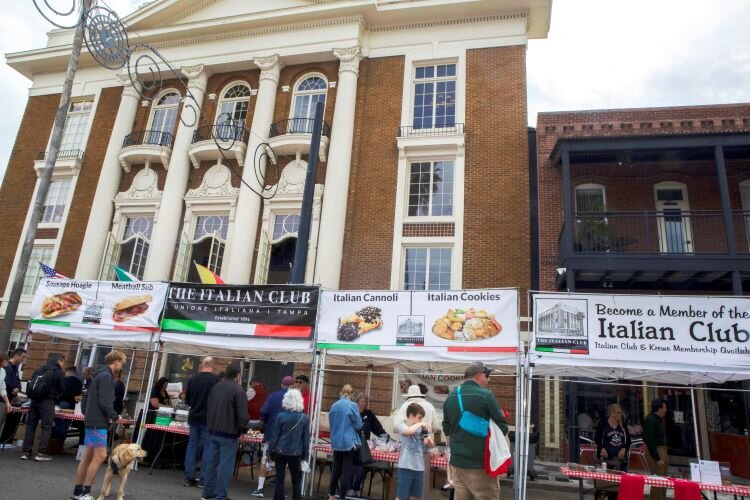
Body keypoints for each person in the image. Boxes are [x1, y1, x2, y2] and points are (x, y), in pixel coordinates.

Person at [443, 361, 508, 500]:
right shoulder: (486, 395)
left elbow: (446, 428)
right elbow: (502, 426)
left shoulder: (451, 397)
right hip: (480, 463)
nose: (489, 379)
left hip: (458, 463)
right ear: (478, 376)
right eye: (487, 375)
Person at [70, 350, 126, 500]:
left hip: (91, 419)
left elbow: (86, 396)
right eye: (121, 363)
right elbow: (105, 402)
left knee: (87, 456)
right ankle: (85, 492)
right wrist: (115, 416)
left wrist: (86, 412)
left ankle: (78, 492)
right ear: (116, 361)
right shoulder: (107, 376)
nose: (121, 366)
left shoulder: (98, 374)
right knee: (100, 455)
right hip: (98, 421)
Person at [201, 365, 249, 500]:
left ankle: (207, 493)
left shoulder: (216, 387)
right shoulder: (238, 390)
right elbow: (242, 414)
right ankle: (221, 495)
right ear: (238, 375)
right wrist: (243, 428)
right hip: (229, 432)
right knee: (225, 466)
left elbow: (209, 406)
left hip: (213, 429)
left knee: (212, 463)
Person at [251, 375, 293, 497]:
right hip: (286, 435)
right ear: (292, 386)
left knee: (265, 459)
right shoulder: (294, 398)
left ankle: (259, 489)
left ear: (281, 385)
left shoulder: (273, 396)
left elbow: (263, 411)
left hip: (271, 433)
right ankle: (281, 490)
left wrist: (266, 421)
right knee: (283, 462)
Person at [266, 388, 309, 500]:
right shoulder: (304, 418)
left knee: (280, 477)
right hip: (296, 452)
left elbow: (275, 436)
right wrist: (305, 455)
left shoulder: (280, 416)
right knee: (296, 479)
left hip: (280, 450)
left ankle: (279, 497)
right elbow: (305, 439)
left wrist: (269, 451)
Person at [21, 352, 65, 462]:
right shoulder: (58, 372)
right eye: (63, 362)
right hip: (48, 402)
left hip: (34, 401)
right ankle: (41, 452)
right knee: (46, 426)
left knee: (31, 425)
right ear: (60, 361)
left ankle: (26, 452)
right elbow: (62, 389)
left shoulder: (39, 369)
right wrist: (57, 398)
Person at [184, 356, 220, 487]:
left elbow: (187, 400)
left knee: (192, 446)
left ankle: (189, 477)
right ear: (213, 365)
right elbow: (217, 401)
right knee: (208, 447)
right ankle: (204, 479)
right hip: (208, 418)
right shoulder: (215, 380)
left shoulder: (192, 379)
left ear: (202, 365)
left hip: (193, 416)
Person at [328, 384, 363, 500]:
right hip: (348, 442)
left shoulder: (334, 405)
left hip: (336, 442)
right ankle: (342, 497)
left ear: (341, 392)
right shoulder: (353, 405)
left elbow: (331, 424)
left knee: (336, 470)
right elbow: (358, 425)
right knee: (346, 472)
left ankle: (331, 495)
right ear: (352, 394)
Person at [396, 403, 435, 500]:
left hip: (419, 468)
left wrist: (429, 441)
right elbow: (408, 431)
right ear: (411, 416)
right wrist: (420, 424)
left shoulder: (421, 429)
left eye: (422, 419)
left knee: (416, 497)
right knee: (401, 497)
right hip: (405, 467)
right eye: (419, 417)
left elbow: (430, 445)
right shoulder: (402, 426)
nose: (421, 420)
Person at [352, 393, 386, 492]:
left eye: (365, 402)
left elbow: (378, 428)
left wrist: (386, 438)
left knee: (360, 467)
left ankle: (356, 488)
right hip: (352, 444)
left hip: (364, 446)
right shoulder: (353, 412)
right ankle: (349, 488)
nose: (364, 404)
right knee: (351, 466)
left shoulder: (369, 414)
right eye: (362, 402)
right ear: (357, 402)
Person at [643, 399, 668, 500]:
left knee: (664, 479)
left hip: (662, 449)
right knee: (658, 479)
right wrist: (657, 458)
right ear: (659, 408)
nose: (666, 410)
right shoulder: (650, 419)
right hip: (657, 450)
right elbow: (650, 440)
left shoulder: (658, 419)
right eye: (664, 407)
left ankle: (662, 498)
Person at [595, 403, 631, 471]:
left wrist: (624, 449)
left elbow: (628, 440)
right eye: (618, 412)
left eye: (621, 412)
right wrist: (602, 448)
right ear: (612, 413)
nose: (620, 414)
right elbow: (597, 438)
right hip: (606, 454)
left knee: (622, 471)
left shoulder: (623, 425)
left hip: (620, 454)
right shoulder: (603, 423)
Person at [55, 366, 84, 439]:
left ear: (68, 372)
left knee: (60, 422)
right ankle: (61, 442)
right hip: (72, 405)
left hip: (63, 403)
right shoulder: (79, 382)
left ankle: (58, 440)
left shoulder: (64, 380)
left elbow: (61, 392)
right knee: (67, 423)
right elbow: (79, 395)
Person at [0, 353, 11, 433]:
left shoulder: (3, 371)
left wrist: (7, 402)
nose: (7, 361)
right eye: (6, 359)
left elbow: (2, 387)